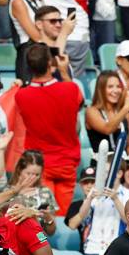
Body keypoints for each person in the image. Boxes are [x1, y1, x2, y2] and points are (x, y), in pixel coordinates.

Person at [15, 43, 84, 214]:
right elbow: (79, 99)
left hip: (39, 165)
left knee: (43, 218)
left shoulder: (21, 95)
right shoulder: (70, 88)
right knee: (61, 218)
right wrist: (63, 71)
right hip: (66, 162)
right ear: (49, 63)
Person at [0, 149, 58, 235]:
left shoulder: (45, 192)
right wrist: (15, 193)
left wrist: (48, 219)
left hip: (38, 239)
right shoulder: (6, 191)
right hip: (10, 239)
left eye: (37, 175)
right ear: (19, 170)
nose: (33, 178)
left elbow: (51, 232)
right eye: (29, 173)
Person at [85, 70, 129, 154]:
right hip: (102, 163)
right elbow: (107, 129)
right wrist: (126, 108)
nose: (116, 90)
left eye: (118, 86)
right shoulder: (91, 111)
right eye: (110, 87)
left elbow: (128, 146)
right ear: (101, 89)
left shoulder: (123, 113)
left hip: (123, 163)